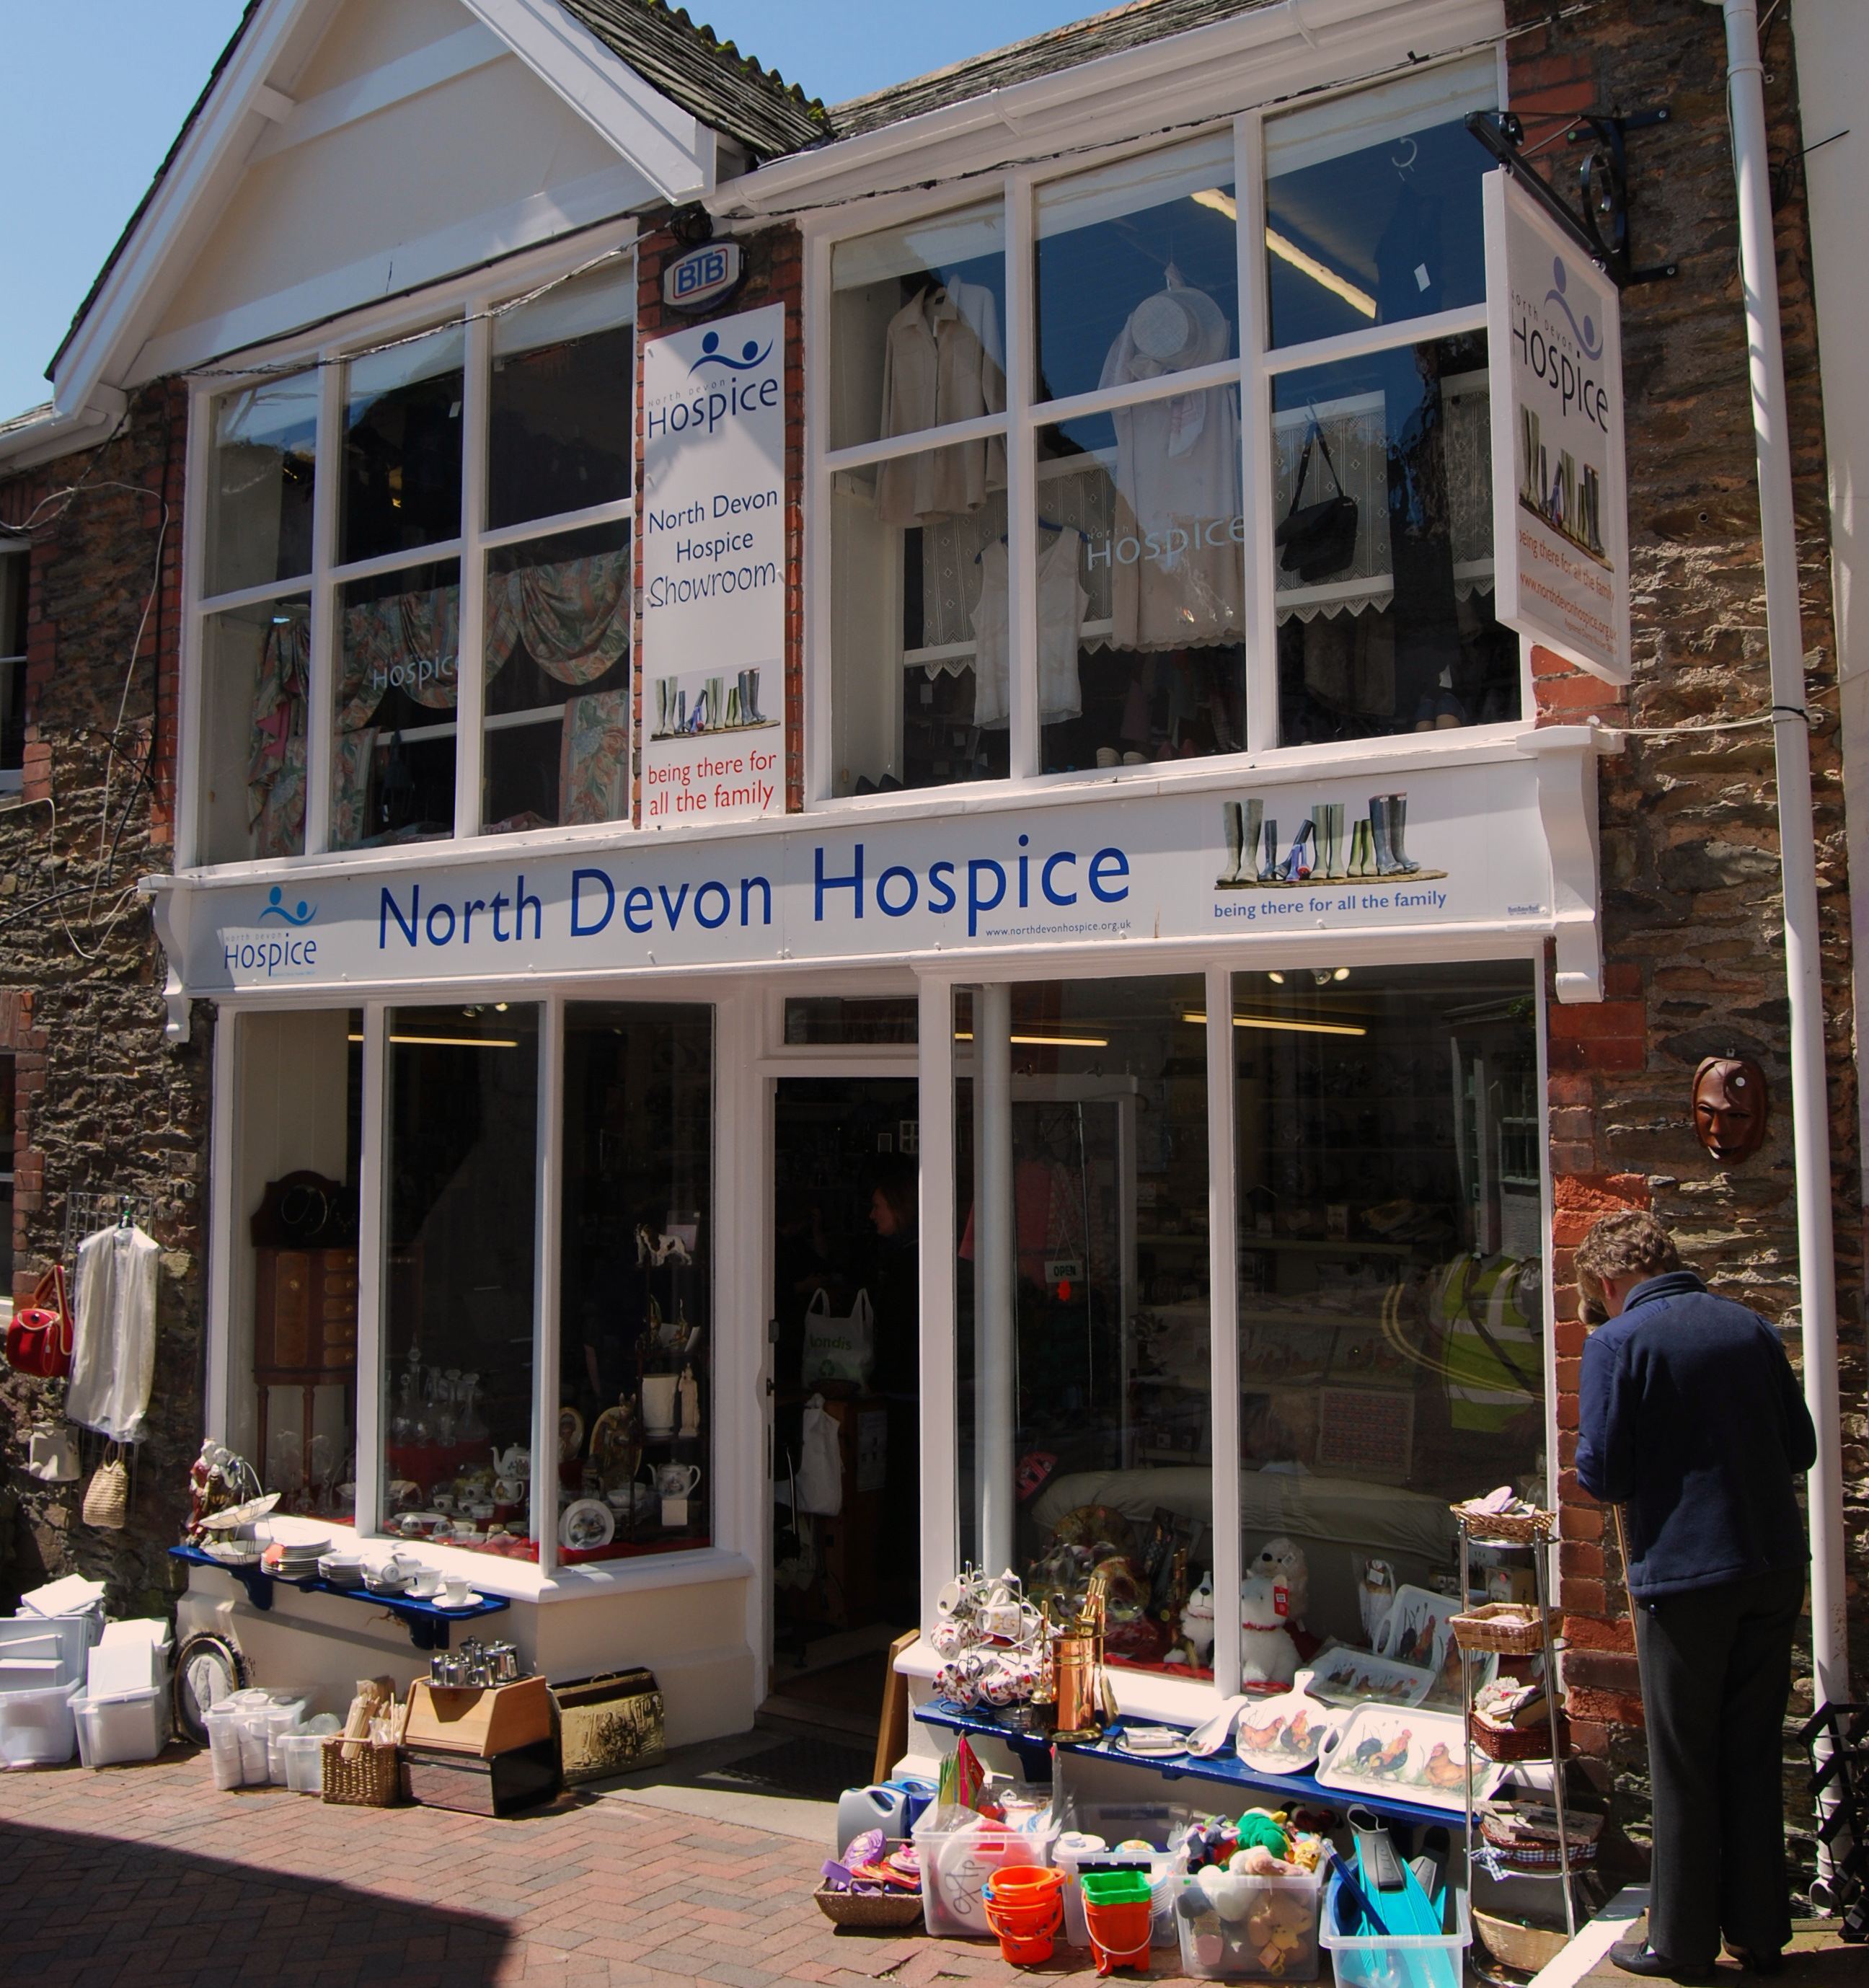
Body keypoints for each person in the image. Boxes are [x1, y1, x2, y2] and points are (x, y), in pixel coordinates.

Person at [1573, 1211, 1817, 1979]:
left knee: (1682, 1762)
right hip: (1773, 1567)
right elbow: (1803, 1448)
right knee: (1749, 1749)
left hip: (1685, 1582)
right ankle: (1759, 1932)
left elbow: (1604, 1475)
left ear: (1611, 1284)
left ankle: (1678, 1942)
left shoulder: (1618, 1342)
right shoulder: (1749, 1328)